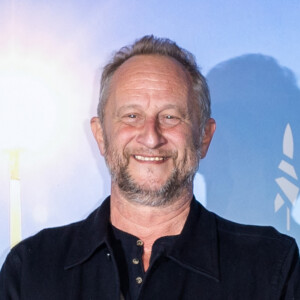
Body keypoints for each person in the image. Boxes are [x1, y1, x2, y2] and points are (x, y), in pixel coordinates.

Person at [0, 35, 299, 299]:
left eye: (170, 117)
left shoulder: (271, 266)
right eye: (131, 116)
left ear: (204, 136)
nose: (151, 136)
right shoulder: (32, 268)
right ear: (101, 135)